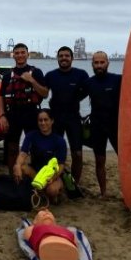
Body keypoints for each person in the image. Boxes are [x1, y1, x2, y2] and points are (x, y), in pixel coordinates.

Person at [0, 43, 48, 174]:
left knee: (35, 147)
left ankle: (36, 175)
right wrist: (2, 115)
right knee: (12, 147)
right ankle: (12, 176)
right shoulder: (8, 76)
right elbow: (1, 97)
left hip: (31, 112)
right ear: (13, 55)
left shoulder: (36, 72)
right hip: (13, 114)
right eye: (17, 53)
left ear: (27, 54)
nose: (20, 55)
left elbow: (45, 93)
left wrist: (31, 80)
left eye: (22, 52)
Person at [44, 46, 89, 184]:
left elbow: (88, 90)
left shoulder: (81, 74)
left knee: (77, 153)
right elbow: (44, 93)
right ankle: (53, 179)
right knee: (54, 154)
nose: (64, 58)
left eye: (67, 56)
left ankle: (74, 183)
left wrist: (75, 99)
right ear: (57, 58)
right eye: (61, 56)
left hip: (73, 118)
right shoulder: (51, 75)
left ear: (72, 58)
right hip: (55, 118)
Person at [82, 51, 121, 197]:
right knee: (99, 161)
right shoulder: (89, 83)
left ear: (107, 63)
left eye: (102, 62)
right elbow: (72, 97)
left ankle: (129, 189)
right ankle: (103, 192)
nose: (99, 65)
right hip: (97, 126)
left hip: (116, 126)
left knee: (124, 162)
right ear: (92, 64)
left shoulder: (118, 80)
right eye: (96, 63)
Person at [13, 109, 67, 202]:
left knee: (51, 191)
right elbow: (23, 154)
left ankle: (54, 192)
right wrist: (17, 165)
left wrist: (53, 178)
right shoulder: (31, 136)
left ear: (52, 121)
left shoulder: (59, 141)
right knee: (19, 168)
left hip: (51, 175)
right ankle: (39, 192)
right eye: (40, 120)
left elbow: (61, 165)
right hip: (36, 172)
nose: (43, 123)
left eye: (46, 120)